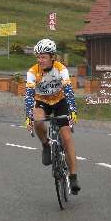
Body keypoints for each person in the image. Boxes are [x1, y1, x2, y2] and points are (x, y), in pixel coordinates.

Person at [25, 39, 81, 194]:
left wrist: (73, 111)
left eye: (43, 57)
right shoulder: (32, 72)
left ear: (52, 57)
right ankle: (45, 145)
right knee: (37, 121)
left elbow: (69, 90)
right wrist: (28, 116)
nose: (40, 60)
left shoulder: (61, 69)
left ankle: (73, 176)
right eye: (38, 57)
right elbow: (29, 96)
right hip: (42, 101)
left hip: (60, 101)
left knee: (66, 136)